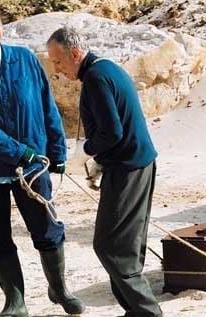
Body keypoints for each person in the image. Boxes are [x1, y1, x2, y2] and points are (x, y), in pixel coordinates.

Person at [0, 8, 85, 316]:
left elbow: (47, 106)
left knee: (48, 229)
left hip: (35, 166)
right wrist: (18, 152)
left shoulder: (25, 60)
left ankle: (60, 290)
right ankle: (15, 302)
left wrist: (58, 152)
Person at [47, 27, 163, 317]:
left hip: (129, 169)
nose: (56, 69)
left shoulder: (97, 78)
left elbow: (112, 132)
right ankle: (134, 310)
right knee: (128, 244)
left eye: (58, 61)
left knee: (110, 246)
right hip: (135, 164)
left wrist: (84, 154)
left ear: (75, 54)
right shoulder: (106, 68)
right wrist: (99, 160)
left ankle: (147, 312)